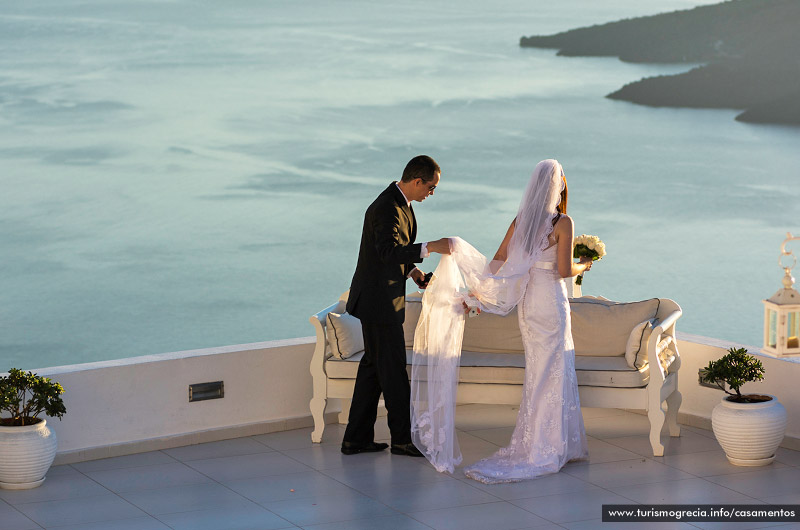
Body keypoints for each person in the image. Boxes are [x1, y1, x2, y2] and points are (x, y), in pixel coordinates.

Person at [411, 159, 593, 482]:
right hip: (550, 303)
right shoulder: (563, 223)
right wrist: (584, 265)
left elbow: (496, 261)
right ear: (559, 186)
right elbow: (564, 272)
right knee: (555, 371)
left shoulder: (521, 221)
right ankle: (549, 448)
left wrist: (477, 291)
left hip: (528, 307)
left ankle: (546, 443)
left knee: (539, 373)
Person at [341, 155, 451, 457]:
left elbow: (389, 256)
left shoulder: (401, 204)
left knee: (373, 370)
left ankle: (355, 439)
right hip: (379, 304)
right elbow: (387, 251)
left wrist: (414, 272)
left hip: (380, 300)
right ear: (417, 181)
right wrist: (430, 247)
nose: (431, 193)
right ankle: (402, 439)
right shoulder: (387, 207)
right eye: (431, 187)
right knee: (393, 373)